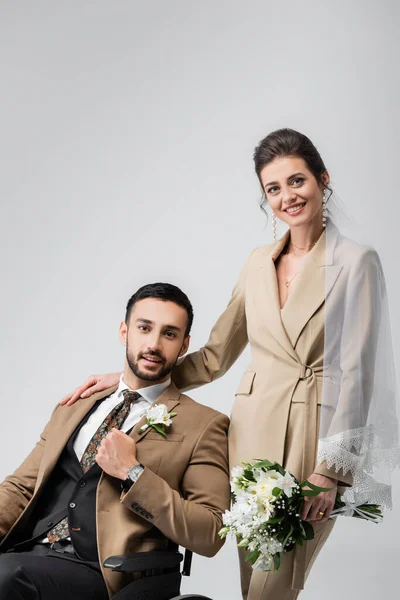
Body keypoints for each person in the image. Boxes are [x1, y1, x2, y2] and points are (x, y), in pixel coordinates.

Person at [62, 129, 399, 600]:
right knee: (252, 581)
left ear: (323, 180)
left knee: (274, 585)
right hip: (250, 437)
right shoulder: (258, 263)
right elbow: (216, 356)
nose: (288, 196)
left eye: (297, 180)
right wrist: (129, 380)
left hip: (312, 437)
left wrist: (331, 472)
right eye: (273, 189)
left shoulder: (356, 262)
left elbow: (359, 375)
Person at [0, 283, 230, 600]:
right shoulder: (77, 403)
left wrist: (133, 472)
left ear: (184, 345)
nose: (154, 344)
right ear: (124, 332)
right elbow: (22, 487)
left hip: (108, 571)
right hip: (29, 550)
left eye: (169, 334)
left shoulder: (203, 425)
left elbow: (211, 532)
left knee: (5, 576)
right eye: (144, 328)